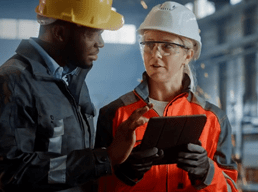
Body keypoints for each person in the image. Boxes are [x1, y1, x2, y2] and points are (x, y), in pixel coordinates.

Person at [0, 0, 160, 191]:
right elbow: (15, 173)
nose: (101, 43)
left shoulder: (72, 80)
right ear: (60, 33)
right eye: (93, 33)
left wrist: (122, 164)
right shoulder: (12, 82)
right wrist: (106, 157)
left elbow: (75, 165)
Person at [95, 1, 239, 191]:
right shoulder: (115, 114)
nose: (155, 54)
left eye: (167, 46)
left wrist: (208, 173)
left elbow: (231, 187)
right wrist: (124, 172)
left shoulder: (214, 119)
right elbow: (94, 185)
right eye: (149, 44)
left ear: (189, 54)